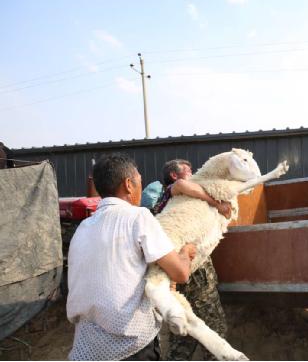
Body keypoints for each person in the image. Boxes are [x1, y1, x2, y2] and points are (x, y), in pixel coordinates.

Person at [66, 153, 196, 361]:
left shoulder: (84, 226)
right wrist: (185, 252)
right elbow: (180, 273)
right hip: (131, 346)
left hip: (86, 348)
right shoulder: (138, 216)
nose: (140, 190)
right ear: (128, 184)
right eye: (139, 183)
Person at [149, 159, 231, 361]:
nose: (193, 173)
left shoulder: (175, 200)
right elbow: (180, 186)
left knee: (183, 335)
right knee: (214, 328)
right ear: (174, 175)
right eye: (188, 171)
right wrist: (216, 204)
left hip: (176, 274)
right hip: (195, 276)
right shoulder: (173, 192)